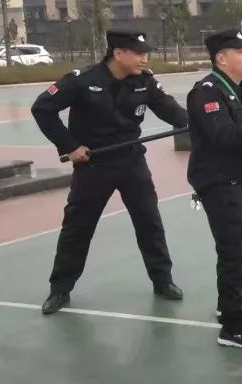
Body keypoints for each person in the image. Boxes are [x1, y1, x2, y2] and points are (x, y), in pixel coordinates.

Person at [31, 30, 188, 315]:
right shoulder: (82, 80)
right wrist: (70, 146)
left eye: (145, 53)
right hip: (93, 165)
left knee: (149, 222)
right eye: (138, 53)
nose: (145, 58)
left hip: (131, 162)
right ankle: (60, 289)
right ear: (117, 53)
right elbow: (42, 108)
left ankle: (162, 280)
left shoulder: (145, 82)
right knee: (78, 228)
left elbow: (172, 111)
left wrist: (200, 122)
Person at [186, 29, 242, 349]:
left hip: (238, 176)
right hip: (217, 180)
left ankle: (233, 300)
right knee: (233, 249)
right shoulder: (206, 93)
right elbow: (224, 137)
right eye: (240, 51)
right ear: (221, 59)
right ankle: (232, 327)